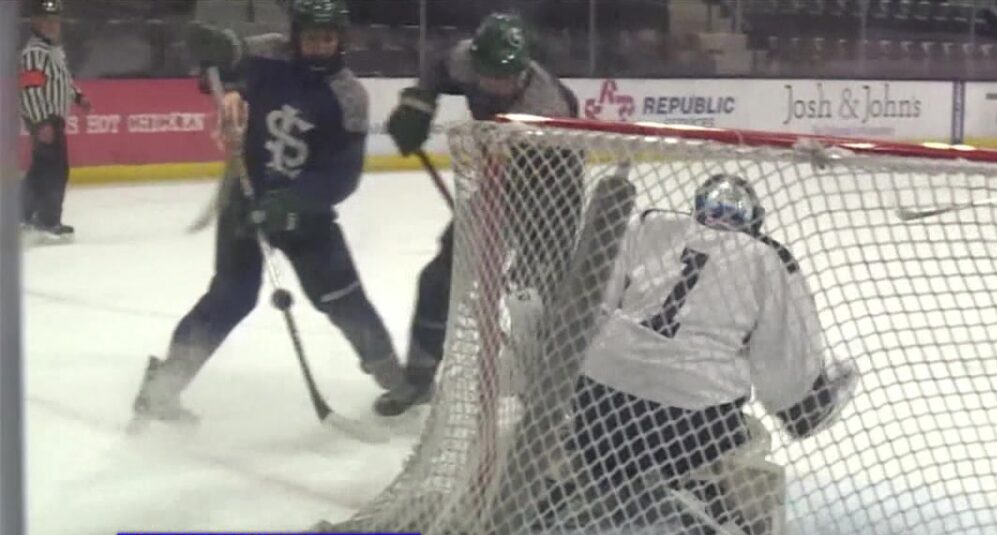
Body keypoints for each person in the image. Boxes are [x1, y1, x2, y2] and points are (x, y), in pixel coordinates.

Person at [544, 174, 859, 535]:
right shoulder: (767, 257)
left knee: (595, 425)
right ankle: (700, 485)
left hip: (600, 400)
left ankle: (579, 471)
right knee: (749, 434)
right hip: (687, 422)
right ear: (754, 221)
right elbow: (784, 359)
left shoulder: (648, 225)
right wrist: (803, 407)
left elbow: (595, 303)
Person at [131, 0, 406, 424]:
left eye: (328, 38)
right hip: (247, 197)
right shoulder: (266, 54)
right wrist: (214, 60)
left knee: (343, 298)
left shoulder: (349, 95)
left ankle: (395, 380)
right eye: (311, 37)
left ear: (341, 39)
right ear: (295, 34)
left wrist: (296, 201)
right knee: (230, 296)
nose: (319, 46)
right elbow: (226, 62)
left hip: (307, 215)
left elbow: (343, 176)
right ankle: (163, 385)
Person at [376, 12, 582, 417]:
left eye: (505, 78)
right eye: (489, 76)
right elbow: (437, 64)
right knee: (441, 277)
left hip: (554, 184)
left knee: (536, 290)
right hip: (498, 176)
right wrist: (419, 103)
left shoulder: (545, 106)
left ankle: (549, 382)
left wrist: (512, 231)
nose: (495, 86)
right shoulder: (467, 61)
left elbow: (542, 181)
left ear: (523, 70)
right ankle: (418, 377)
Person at [19, 0, 90, 244]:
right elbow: (30, 89)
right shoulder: (35, 53)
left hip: (54, 119)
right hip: (44, 119)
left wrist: (78, 97)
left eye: (55, 21)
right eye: (47, 20)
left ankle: (23, 216)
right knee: (55, 171)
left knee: (41, 170)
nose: (53, 25)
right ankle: (47, 220)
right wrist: (41, 122)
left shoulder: (53, 51)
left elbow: (64, 81)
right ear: (35, 22)